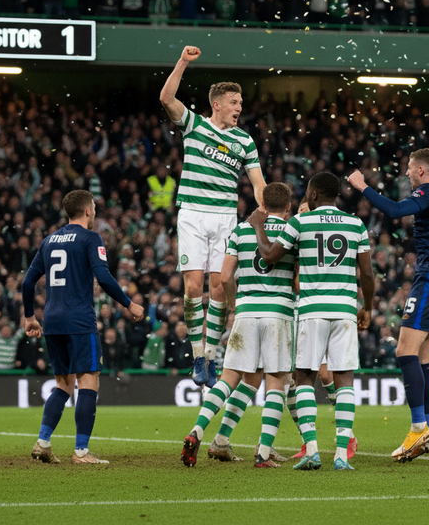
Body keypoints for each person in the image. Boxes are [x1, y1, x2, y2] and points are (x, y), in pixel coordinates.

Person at [347, 117, 429, 462]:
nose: (407, 173)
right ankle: (425, 431)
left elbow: (397, 210)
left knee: (404, 352)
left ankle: (417, 429)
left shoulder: (427, 192)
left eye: (411, 169)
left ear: (422, 172)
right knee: (423, 358)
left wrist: (363, 186)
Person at [250, 172, 374, 471]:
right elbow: (368, 274)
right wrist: (367, 307)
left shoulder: (300, 222)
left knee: (304, 377)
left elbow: (269, 256)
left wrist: (258, 226)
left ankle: (313, 450)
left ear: (314, 195)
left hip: (311, 309)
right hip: (344, 309)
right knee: (344, 380)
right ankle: (341, 454)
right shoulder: (356, 224)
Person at [160, 45, 266, 388]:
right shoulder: (194, 125)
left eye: (241, 103)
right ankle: (197, 354)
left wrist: (269, 210)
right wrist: (182, 62)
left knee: (220, 285)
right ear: (217, 104)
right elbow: (166, 97)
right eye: (234, 102)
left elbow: (258, 183)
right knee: (193, 286)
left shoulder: (244, 141)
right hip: (192, 213)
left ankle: (211, 354)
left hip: (224, 217)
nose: (239, 108)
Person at [22, 190, 144, 465]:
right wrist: (129, 304)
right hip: (79, 319)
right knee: (88, 381)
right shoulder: (90, 238)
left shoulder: (48, 241)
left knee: (63, 385)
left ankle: (43, 442)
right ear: (87, 211)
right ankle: (81, 451)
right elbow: (103, 276)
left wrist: (30, 317)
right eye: (94, 208)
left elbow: (28, 282)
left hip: (52, 321)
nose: (95, 212)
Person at [181, 182, 296, 469]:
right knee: (276, 383)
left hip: (246, 313)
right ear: (289, 206)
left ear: (262, 204)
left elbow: (224, 277)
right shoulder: (294, 231)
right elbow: (296, 277)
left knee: (229, 379)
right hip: (279, 313)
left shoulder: (241, 230)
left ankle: (198, 431)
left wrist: (234, 302)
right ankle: (264, 453)